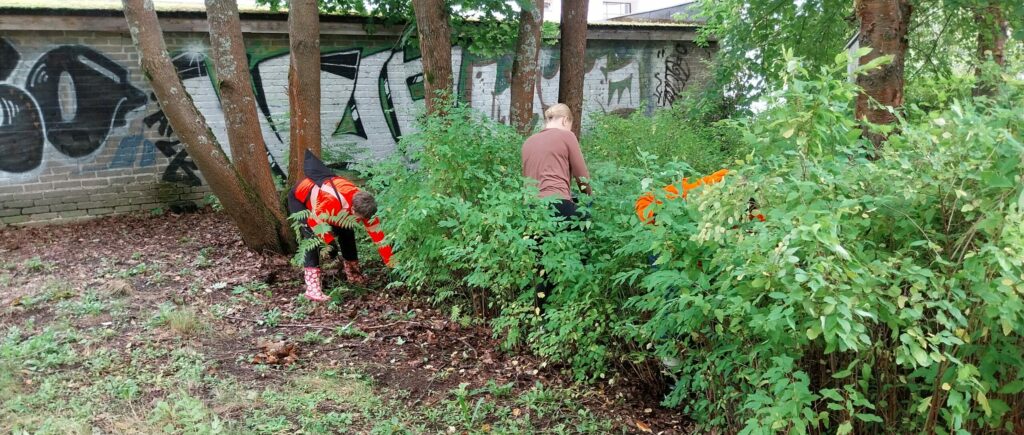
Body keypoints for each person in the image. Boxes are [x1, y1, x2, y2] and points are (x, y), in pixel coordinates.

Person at [288, 151, 393, 302]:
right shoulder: (332, 200)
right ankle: (312, 289)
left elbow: (379, 238)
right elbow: (314, 222)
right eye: (359, 219)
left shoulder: (365, 205)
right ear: (352, 209)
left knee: (347, 232)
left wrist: (392, 265)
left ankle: (354, 275)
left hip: (334, 210)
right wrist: (330, 243)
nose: (361, 222)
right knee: (312, 240)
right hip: (301, 199)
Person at [521, 103, 592, 314]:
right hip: (558, 204)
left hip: (532, 210)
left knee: (540, 264)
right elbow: (582, 178)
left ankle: (540, 315)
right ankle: (580, 301)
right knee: (582, 245)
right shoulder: (566, 136)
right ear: (565, 121)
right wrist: (590, 200)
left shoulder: (528, 142)